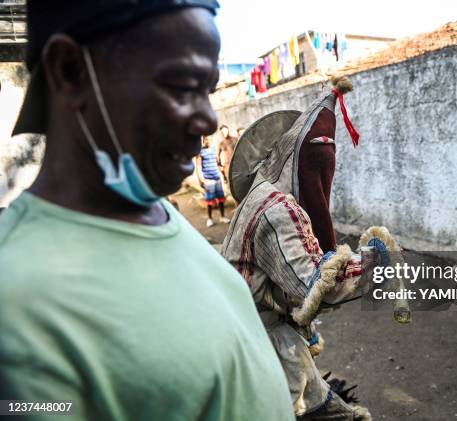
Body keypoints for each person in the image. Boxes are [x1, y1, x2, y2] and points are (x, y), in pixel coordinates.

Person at [0, 2, 295, 420]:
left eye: (207, 89)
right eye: (180, 86)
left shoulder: (158, 214)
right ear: (69, 71)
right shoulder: (15, 302)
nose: (209, 120)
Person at [222, 77, 386, 420]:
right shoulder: (276, 209)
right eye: (314, 162)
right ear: (292, 158)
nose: (322, 175)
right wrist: (379, 262)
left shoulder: (260, 197)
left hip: (257, 334)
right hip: (264, 346)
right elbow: (315, 285)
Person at [196, 135, 229, 227]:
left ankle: (222, 217)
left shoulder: (214, 149)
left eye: (210, 139)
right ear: (203, 141)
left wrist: (223, 176)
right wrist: (201, 180)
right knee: (210, 200)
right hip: (208, 179)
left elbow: (218, 164)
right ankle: (210, 219)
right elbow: (198, 166)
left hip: (217, 178)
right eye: (206, 140)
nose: (208, 141)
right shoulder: (200, 151)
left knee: (221, 198)